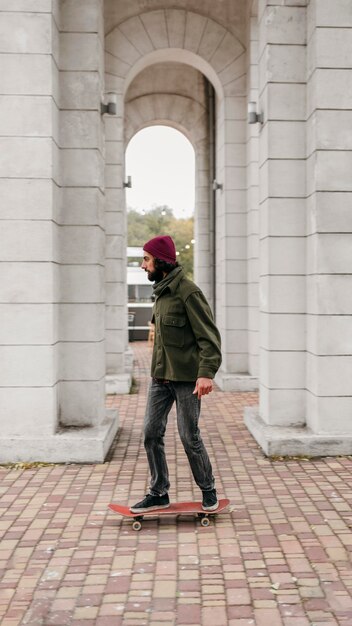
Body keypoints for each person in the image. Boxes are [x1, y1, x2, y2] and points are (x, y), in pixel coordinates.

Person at [130, 235, 222, 514]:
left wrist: (205, 374)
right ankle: (159, 493)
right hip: (160, 380)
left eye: (147, 259)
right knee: (150, 433)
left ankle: (208, 490)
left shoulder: (188, 292)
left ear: (161, 261)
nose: (143, 265)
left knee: (188, 436)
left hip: (186, 381)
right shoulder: (160, 291)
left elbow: (209, 338)